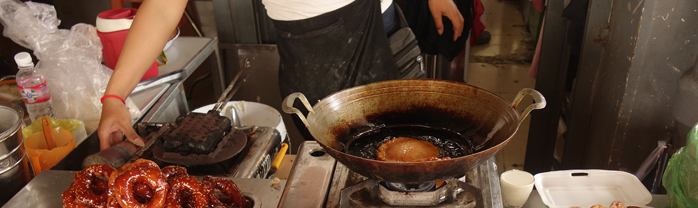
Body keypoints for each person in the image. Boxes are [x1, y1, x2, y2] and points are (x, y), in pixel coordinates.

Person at [97, 0, 465, 150]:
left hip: (382, 39)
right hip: (311, 66)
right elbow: (163, 8)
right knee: (334, 178)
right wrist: (115, 98)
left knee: (411, 160)